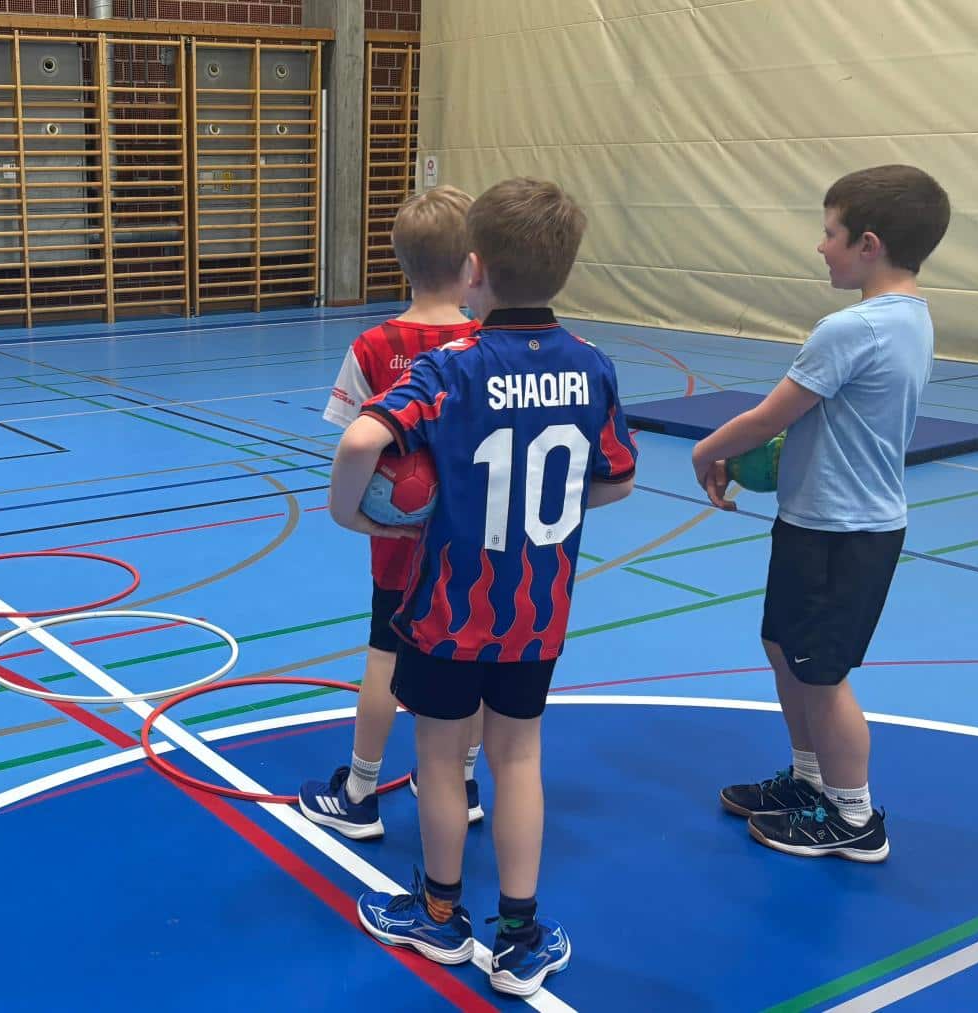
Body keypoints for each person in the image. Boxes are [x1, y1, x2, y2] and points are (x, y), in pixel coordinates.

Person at [336, 178, 636, 996]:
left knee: (440, 759)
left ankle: (439, 915)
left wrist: (352, 514)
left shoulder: (451, 368)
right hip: (538, 611)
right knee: (519, 756)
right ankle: (520, 933)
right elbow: (617, 479)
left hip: (445, 610)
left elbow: (362, 438)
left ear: (475, 269)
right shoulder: (592, 365)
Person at [692, 165, 950, 863]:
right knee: (784, 647)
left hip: (845, 531)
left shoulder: (852, 328)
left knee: (823, 675)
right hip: (818, 520)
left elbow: (770, 416)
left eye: (829, 233)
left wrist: (708, 451)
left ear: (868, 244)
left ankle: (854, 816)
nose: (820, 246)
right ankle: (810, 778)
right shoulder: (913, 318)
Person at [298, 184, 488, 841]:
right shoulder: (488, 343)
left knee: (385, 656)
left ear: (399, 260)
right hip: (478, 541)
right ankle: (463, 783)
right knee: (470, 658)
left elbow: (353, 441)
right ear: (473, 263)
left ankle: (358, 792)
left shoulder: (373, 346)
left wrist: (356, 514)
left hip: (399, 544)